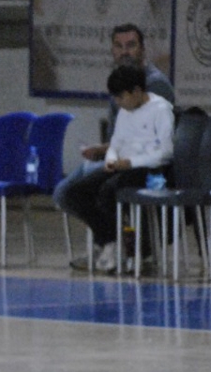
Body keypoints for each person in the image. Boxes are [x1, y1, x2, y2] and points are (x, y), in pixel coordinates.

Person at [52, 23, 175, 244]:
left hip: (143, 164)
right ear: (112, 51)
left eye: (131, 45)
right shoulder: (121, 80)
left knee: (74, 192)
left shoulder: (153, 84)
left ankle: (117, 243)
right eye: (118, 46)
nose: (124, 51)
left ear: (143, 49)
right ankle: (115, 240)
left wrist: (102, 150)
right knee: (63, 193)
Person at [59, 64, 174, 274]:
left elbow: (165, 152)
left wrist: (130, 162)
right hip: (124, 166)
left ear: (137, 92)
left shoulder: (161, 110)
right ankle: (108, 239)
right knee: (75, 191)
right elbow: (117, 142)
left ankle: (128, 248)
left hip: (152, 170)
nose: (117, 102)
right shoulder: (126, 111)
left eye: (121, 97)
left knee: (108, 192)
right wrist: (111, 159)